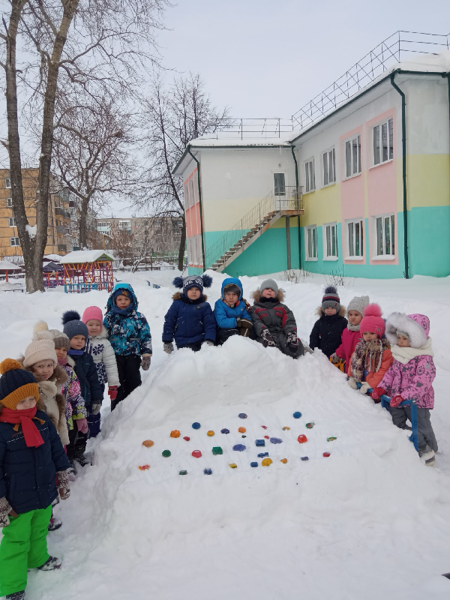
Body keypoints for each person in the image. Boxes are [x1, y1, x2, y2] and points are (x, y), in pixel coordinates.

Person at [0, 359, 71, 600]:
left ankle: (38, 558)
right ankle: (11, 586)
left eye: (32, 399)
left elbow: (56, 450)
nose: (29, 405)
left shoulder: (41, 421)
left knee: (39, 530)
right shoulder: (2, 430)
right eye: (22, 401)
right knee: (16, 541)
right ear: (7, 402)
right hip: (16, 499)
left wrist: (61, 474)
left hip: (43, 491)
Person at [372, 312, 438, 466]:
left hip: (417, 401)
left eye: (405, 339)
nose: (400, 342)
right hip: (396, 398)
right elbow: (392, 373)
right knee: (397, 422)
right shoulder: (399, 353)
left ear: (415, 340)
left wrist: (405, 395)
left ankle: (430, 449)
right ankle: (416, 445)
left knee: (422, 427)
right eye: (399, 338)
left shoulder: (424, 358)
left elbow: (422, 382)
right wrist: (382, 387)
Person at [62, 311, 103, 465]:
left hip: (84, 401)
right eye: (75, 338)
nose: (80, 342)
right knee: (70, 433)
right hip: (69, 405)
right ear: (67, 339)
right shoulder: (64, 359)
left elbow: (94, 380)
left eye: (82, 339)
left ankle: (80, 453)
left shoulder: (87, 357)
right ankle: (69, 458)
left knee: (83, 431)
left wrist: (97, 398)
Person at [103, 284, 152, 410]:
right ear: (114, 300)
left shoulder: (138, 317)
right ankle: (116, 410)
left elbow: (145, 335)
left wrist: (146, 355)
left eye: (126, 299)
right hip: (114, 357)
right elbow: (103, 336)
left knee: (133, 382)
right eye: (120, 300)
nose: (123, 302)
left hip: (132, 355)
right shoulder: (110, 317)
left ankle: (134, 409)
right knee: (117, 384)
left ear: (132, 300)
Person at [50, 328, 88, 464]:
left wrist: (80, 415)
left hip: (67, 418)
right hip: (50, 419)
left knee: (68, 442)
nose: (61, 352)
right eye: (57, 348)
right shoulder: (44, 370)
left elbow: (76, 395)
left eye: (64, 349)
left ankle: (67, 463)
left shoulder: (69, 370)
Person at [82, 306, 120, 433]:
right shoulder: (79, 341)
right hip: (81, 382)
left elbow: (110, 365)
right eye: (90, 324)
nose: (93, 327)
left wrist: (113, 385)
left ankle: (93, 432)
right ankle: (81, 430)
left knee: (95, 406)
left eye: (97, 324)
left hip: (98, 383)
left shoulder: (105, 343)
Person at [250, 279, 305, 359]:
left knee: (296, 349)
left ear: (276, 294)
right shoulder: (255, 308)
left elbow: (289, 321)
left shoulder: (282, 308)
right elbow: (256, 322)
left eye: (272, 290)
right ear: (261, 292)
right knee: (267, 351)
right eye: (267, 289)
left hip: (281, 334)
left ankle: (292, 340)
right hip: (265, 336)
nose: (269, 290)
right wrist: (264, 333)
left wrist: (291, 333)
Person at [163, 275, 216, 353]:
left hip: (200, 340)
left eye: (197, 289)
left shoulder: (204, 306)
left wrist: (209, 339)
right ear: (185, 290)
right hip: (182, 341)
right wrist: (167, 340)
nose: (194, 292)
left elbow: (210, 324)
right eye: (190, 289)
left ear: (201, 291)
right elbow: (169, 321)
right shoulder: (177, 304)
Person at [348, 303, 393, 394]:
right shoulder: (360, 346)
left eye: (372, 333)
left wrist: (371, 384)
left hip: (375, 389)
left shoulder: (384, 350)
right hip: (360, 384)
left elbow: (383, 370)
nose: (368, 336)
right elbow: (353, 361)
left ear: (379, 333)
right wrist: (351, 376)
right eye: (365, 333)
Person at [331, 295, 370, 373]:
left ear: (363, 316)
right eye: (350, 314)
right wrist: (337, 354)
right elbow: (344, 346)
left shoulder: (366, 332)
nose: (352, 317)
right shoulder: (346, 331)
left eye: (356, 315)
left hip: (363, 370)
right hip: (349, 369)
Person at [309, 286, 347, 358]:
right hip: (323, 356)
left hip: (338, 356)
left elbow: (347, 338)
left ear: (337, 308)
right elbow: (314, 337)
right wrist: (315, 350)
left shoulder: (343, 322)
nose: (329, 310)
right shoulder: (319, 323)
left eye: (332, 308)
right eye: (327, 308)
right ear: (323, 308)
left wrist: (342, 352)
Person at [214, 278, 253, 344]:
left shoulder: (241, 304)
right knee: (232, 334)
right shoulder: (219, 304)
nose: (231, 297)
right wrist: (238, 322)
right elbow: (221, 322)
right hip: (223, 329)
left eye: (234, 294)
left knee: (251, 332)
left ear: (239, 295)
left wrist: (245, 326)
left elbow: (247, 319)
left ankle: (245, 345)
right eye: (228, 294)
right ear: (223, 294)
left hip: (237, 327)